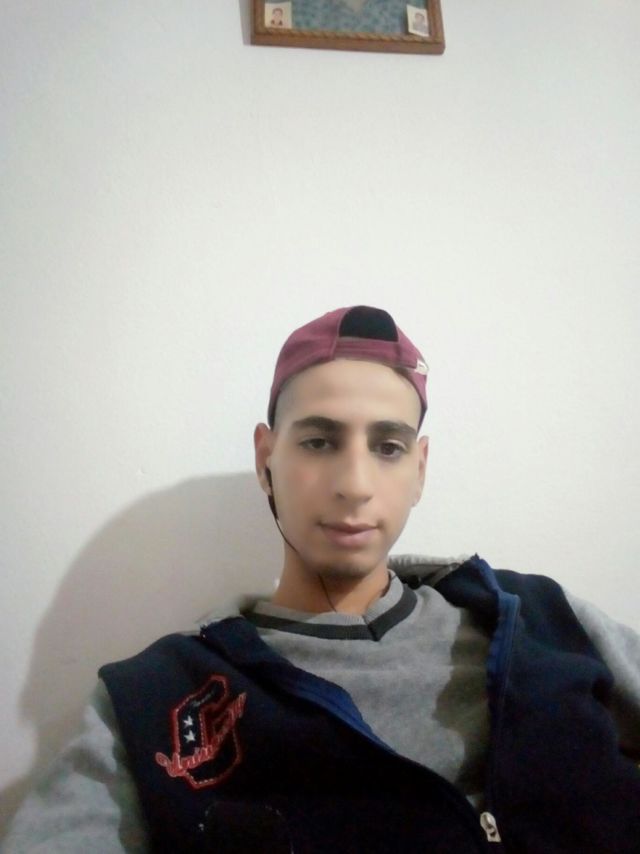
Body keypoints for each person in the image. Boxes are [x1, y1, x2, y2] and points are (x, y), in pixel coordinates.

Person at [4, 305, 640, 853]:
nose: (355, 485)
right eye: (318, 442)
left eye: (388, 447)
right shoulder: (156, 699)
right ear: (266, 459)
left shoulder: (539, 616)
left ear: (420, 469)